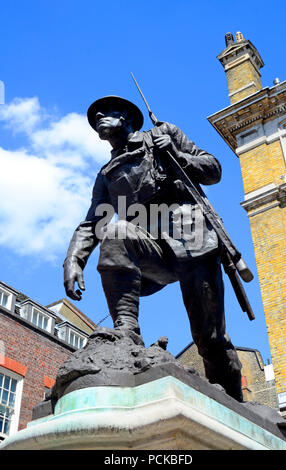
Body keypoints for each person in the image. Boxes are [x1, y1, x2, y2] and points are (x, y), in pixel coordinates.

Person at [63, 96, 243, 401]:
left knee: (210, 340)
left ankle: (234, 403)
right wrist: (73, 258)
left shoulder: (165, 133)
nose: (99, 117)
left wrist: (176, 155)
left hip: (194, 240)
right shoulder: (107, 174)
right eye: (95, 117)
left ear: (127, 117)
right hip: (150, 247)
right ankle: (127, 329)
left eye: (107, 112)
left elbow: (213, 169)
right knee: (116, 231)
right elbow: (93, 221)